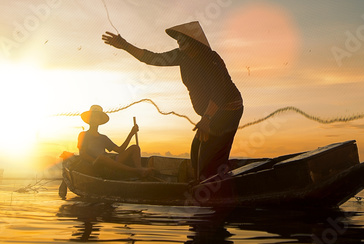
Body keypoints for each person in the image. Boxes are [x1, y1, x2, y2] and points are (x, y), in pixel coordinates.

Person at [102, 22, 243, 183]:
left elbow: (219, 92)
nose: (179, 40)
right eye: (177, 38)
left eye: (183, 37)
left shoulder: (210, 58)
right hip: (210, 115)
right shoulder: (181, 56)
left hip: (227, 110)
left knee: (209, 155)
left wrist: (207, 119)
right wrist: (125, 45)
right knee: (196, 149)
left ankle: (212, 187)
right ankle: (202, 183)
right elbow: (152, 58)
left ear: (195, 40)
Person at [77, 105, 153, 179]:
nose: (93, 119)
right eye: (92, 117)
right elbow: (82, 154)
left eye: (96, 117)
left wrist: (131, 133)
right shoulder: (83, 134)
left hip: (109, 162)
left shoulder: (103, 138)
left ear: (99, 121)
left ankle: (140, 170)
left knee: (135, 147)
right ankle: (137, 171)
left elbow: (120, 150)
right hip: (96, 164)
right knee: (102, 158)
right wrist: (95, 161)